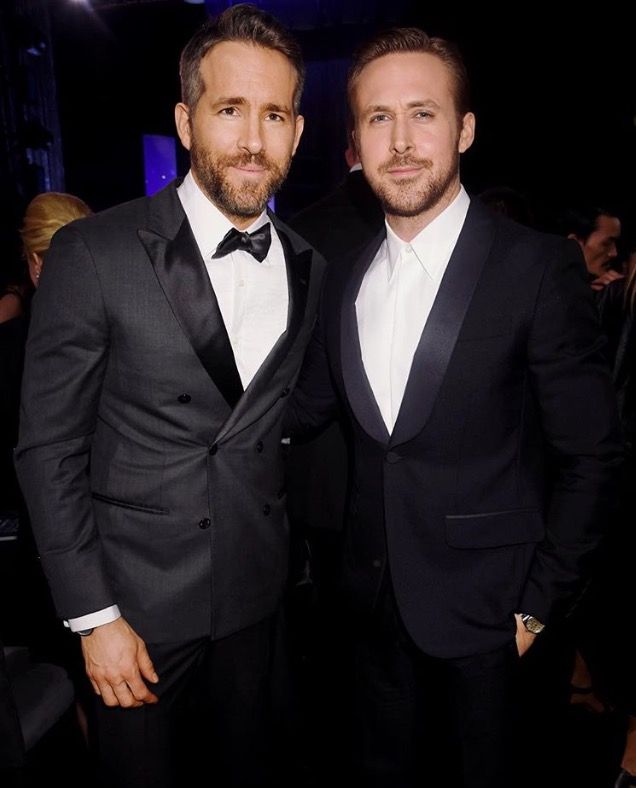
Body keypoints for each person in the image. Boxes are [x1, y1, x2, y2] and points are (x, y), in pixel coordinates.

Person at [287, 26, 621, 788]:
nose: (400, 141)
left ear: (465, 130)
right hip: (367, 617)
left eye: (423, 114)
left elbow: (592, 455)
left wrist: (538, 609)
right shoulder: (341, 273)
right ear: (355, 143)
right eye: (378, 118)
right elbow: (301, 407)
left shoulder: (535, 267)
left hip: (492, 627)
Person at [15, 5, 324, 787]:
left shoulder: (306, 264)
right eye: (230, 110)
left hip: (258, 606)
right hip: (136, 614)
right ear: (187, 122)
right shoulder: (95, 251)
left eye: (274, 114)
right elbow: (49, 447)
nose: (253, 139)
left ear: (297, 131)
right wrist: (94, 617)